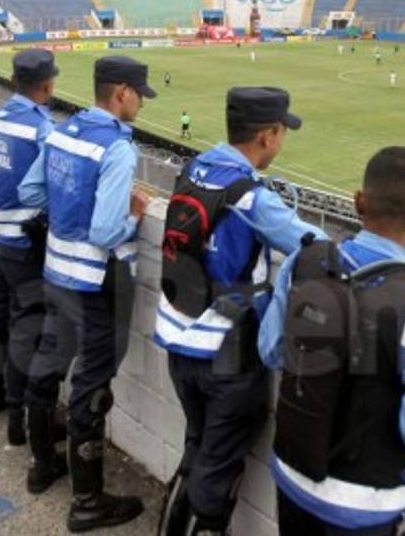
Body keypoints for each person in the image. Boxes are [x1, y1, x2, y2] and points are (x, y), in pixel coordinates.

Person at [260, 147, 405, 535]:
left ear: (358, 201)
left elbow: (271, 350)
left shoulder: (303, 263)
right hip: (364, 504)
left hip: (292, 476)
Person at [154, 87, 325, 535]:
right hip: (225, 354)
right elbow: (317, 250)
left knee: (196, 449)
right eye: (282, 131)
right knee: (218, 466)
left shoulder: (197, 167)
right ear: (268, 135)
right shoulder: (251, 196)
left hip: (177, 337)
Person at [18, 56, 154, 531]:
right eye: (139, 93)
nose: (140, 102)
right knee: (91, 390)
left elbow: (31, 192)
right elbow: (104, 230)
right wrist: (135, 216)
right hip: (97, 281)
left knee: (49, 363)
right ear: (121, 92)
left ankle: (42, 466)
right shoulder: (117, 148)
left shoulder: (61, 129)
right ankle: (87, 502)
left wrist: (66, 216)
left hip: (56, 270)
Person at [0, 49, 59, 445]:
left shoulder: (0, 117)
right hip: (23, 240)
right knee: (28, 328)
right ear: (47, 84)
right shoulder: (40, 126)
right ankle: (19, 417)